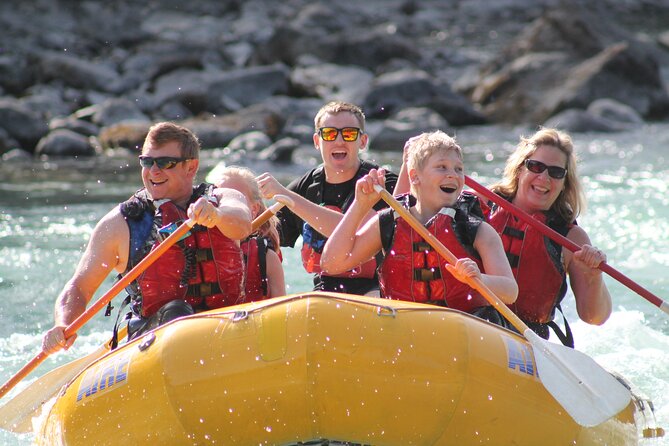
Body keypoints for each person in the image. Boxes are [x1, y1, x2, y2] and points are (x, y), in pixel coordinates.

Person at [42, 122, 253, 354]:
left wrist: (217, 216)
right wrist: (63, 323)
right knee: (176, 312)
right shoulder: (120, 224)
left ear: (191, 168)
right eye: (147, 162)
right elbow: (80, 287)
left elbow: (242, 225)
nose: (153, 171)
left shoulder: (223, 199)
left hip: (228, 325)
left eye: (165, 163)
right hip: (156, 343)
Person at [320, 131, 518, 324]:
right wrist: (360, 205)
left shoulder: (476, 229)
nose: (453, 175)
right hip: (403, 326)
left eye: (458, 169)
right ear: (414, 177)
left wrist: (480, 279)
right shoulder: (389, 222)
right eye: (442, 167)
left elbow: (510, 292)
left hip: (464, 328)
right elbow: (332, 264)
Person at [480, 127, 612, 347]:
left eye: (556, 172)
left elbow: (595, 317)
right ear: (520, 169)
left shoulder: (571, 238)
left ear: (564, 183)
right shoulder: (479, 205)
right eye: (535, 166)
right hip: (472, 321)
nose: (544, 178)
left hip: (527, 341)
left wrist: (593, 276)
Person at [256, 101, 398, 296]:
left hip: (378, 288)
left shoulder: (382, 183)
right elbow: (266, 240)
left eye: (348, 134)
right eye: (330, 134)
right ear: (317, 141)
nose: (339, 142)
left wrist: (290, 198)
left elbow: (357, 234)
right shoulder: (305, 188)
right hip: (324, 293)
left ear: (363, 141)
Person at [214, 166, 286, 300]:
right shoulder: (195, 248)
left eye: (238, 198)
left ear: (254, 209)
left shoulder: (267, 257)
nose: (228, 205)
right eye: (219, 197)